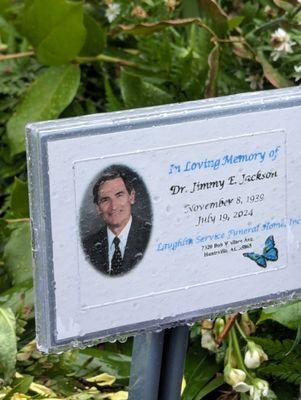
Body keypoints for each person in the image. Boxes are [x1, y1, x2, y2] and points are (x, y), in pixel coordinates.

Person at [83, 166, 151, 276]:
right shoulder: (88, 246)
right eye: (105, 200)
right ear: (98, 208)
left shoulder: (150, 236)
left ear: (131, 197)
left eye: (119, 195)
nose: (113, 206)